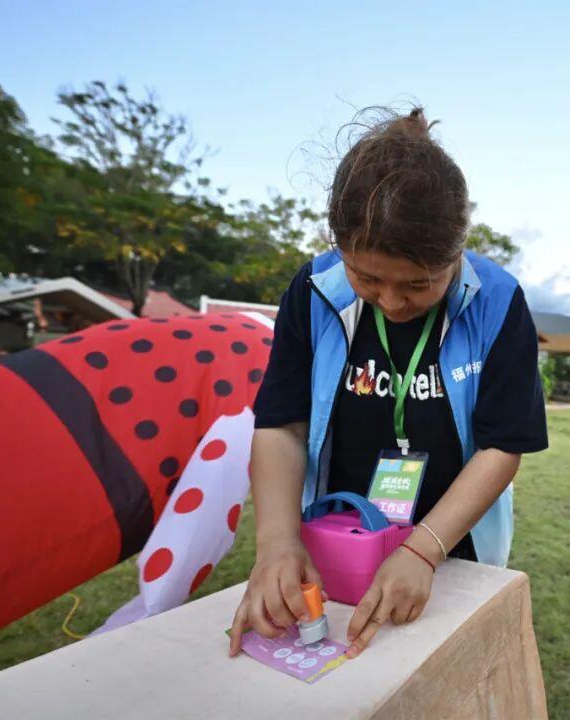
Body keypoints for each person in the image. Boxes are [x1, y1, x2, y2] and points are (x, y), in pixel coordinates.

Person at [228, 108, 548, 659]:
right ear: (340, 246)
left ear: (457, 256)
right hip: (337, 534)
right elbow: (280, 422)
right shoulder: (313, 290)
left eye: (419, 285)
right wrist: (277, 543)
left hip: (452, 545)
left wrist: (424, 551)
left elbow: (503, 444)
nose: (394, 303)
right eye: (368, 278)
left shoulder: (498, 301)